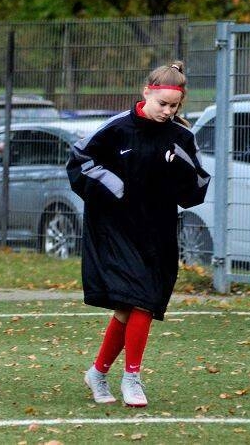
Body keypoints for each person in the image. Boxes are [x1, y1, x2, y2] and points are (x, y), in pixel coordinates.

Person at [66, 61, 210, 407]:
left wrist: (182, 167)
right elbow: (79, 160)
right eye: (163, 104)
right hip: (114, 230)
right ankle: (132, 377)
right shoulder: (117, 128)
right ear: (146, 92)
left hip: (157, 231)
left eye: (174, 106)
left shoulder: (182, 137)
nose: (168, 111)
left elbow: (196, 188)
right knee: (141, 299)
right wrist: (116, 187)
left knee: (128, 309)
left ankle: (98, 373)